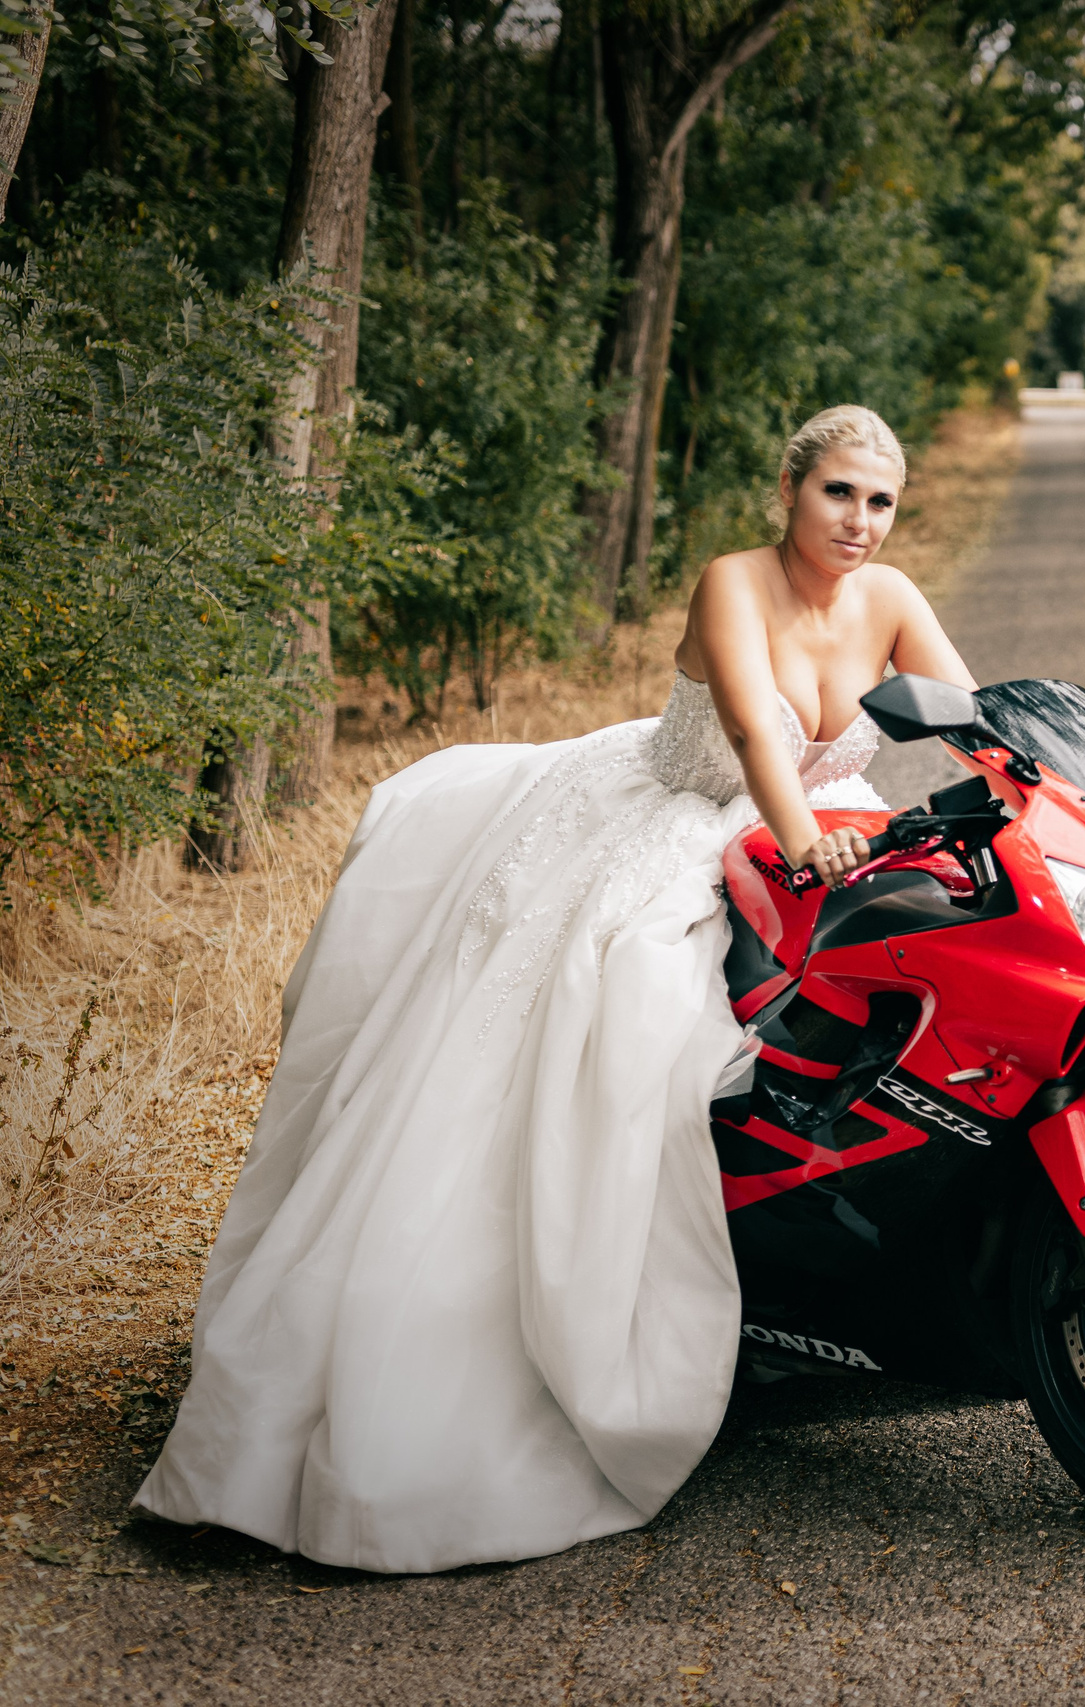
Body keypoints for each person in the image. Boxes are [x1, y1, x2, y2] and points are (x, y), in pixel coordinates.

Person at [136, 405, 975, 1571]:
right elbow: (749, 731)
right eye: (839, 493)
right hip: (677, 821)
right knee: (628, 1006)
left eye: (881, 501)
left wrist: (1045, 802)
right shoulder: (732, 580)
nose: (860, 522)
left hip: (817, 830)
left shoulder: (889, 599)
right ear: (789, 492)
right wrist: (802, 844)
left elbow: (978, 721)